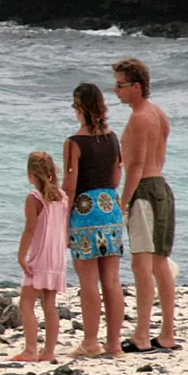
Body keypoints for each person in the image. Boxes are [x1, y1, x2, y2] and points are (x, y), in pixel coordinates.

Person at [114, 57, 179, 352]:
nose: (116, 90)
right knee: (160, 261)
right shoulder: (159, 114)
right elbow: (160, 158)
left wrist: (122, 202)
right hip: (162, 187)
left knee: (142, 264)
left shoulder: (140, 117)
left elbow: (136, 166)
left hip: (144, 191)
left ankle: (142, 335)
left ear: (136, 86)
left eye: (121, 85)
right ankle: (167, 333)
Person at [63, 83, 125, 358]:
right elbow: (115, 178)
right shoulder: (112, 138)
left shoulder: (74, 143)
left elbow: (70, 186)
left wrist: (64, 221)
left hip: (86, 210)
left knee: (88, 282)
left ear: (81, 108)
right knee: (111, 280)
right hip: (110, 207)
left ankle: (90, 342)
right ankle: (114, 344)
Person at [14, 152, 70, 362]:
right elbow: (64, 228)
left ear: (31, 175)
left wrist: (22, 255)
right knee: (50, 305)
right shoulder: (62, 197)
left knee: (26, 303)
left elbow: (30, 229)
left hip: (40, 255)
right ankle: (48, 352)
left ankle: (30, 350)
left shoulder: (34, 198)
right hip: (57, 256)